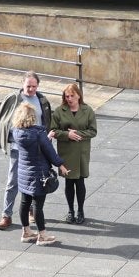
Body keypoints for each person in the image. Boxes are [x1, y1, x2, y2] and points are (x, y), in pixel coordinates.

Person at [0, 71, 52, 230]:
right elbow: (3, 121)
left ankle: (31, 211)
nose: (31, 89)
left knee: (34, 181)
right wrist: (13, 138)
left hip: (37, 149)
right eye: (28, 86)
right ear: (22, 84)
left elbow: (46, 121)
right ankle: (6, 215)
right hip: (19, 148)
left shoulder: (42, 100)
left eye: (34, 86)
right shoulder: (14, 99)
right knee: (13, 181)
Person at [10, 103, 67, 245]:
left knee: (24, 203)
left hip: (24, 173)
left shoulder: (16, 132)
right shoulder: (38, 134)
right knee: (38, 206)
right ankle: (42, 236)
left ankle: (26, 232)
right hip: (38, 174)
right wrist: (60, 164)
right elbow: (49, 151)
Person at [50, 82, 97, 225]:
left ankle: (80, 210)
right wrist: (67, 135)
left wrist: (78, 134)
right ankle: (70, 211)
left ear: (78, 95)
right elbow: (53, 130)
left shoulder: (87, 110)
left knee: (80, 181)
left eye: (72, 95)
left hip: (81, 151)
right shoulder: (59, 111)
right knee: (69, 182)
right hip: (67, 152)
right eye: (67, 96)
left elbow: (93, 131)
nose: (69, 99)